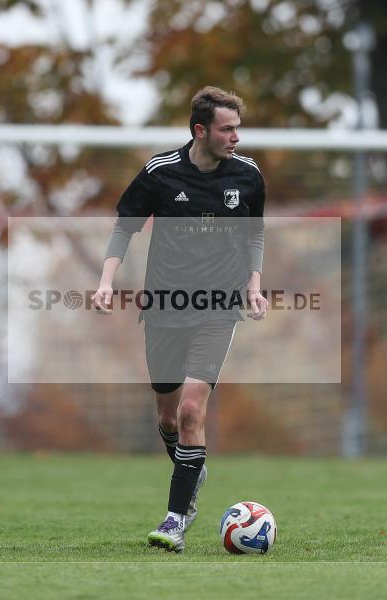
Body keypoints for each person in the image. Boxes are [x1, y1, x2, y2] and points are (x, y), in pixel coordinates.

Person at [91, 86, 267, 553]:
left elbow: (255, 234)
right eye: (227, 129)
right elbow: (124, 227)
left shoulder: (247, 176)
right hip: (165, 310)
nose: (236, 137)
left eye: (237, 128)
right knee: (168, 417)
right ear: (200, 130)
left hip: (218, 307)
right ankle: (192, 469)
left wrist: (253, 283)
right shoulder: (160, 173)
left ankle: (175, 518)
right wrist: (106, 281)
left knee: (192, 409)